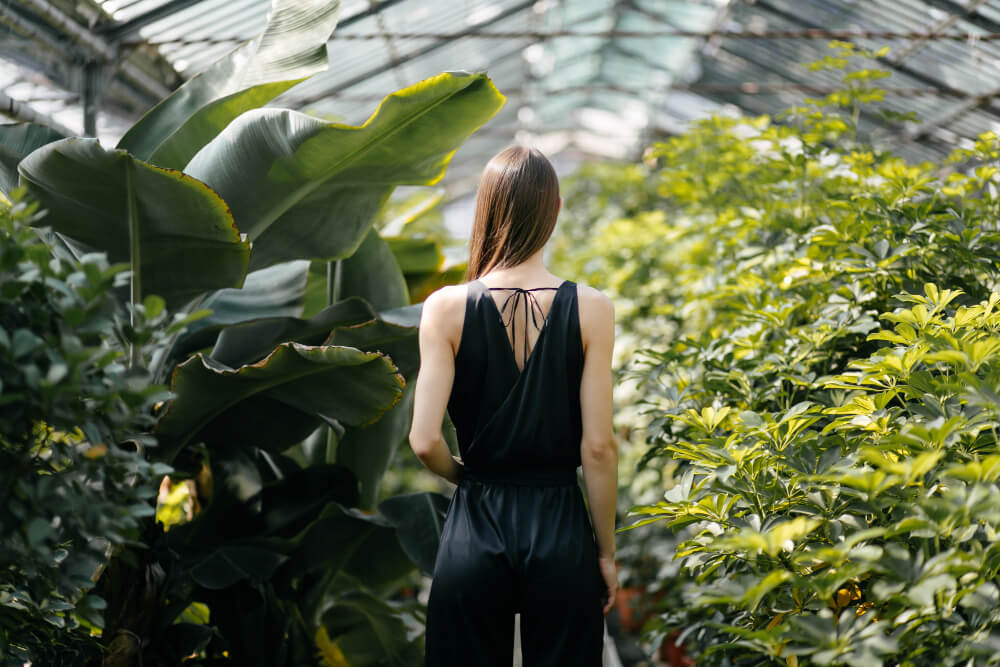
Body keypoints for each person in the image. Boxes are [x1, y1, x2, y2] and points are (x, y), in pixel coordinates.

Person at [407, 145, 619, 666]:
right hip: (561, 525)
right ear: (555, 210)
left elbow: (424, 440)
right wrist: (606, 554)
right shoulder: (591, 308)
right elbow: (598, 448)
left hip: (477, 521)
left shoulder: (446, 308)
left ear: (487, 209)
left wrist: (469, 477)